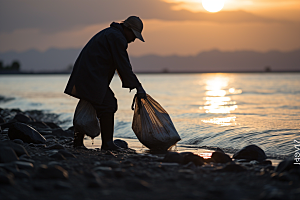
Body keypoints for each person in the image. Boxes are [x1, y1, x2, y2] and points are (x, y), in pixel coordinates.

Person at [64, 16, 146, 150]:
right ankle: (107, 144)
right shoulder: (117, 38)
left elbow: (119, 65)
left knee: (90, 104)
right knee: (108, 103)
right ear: (128, 29)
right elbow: (123, 65)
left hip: (87, 74)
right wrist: (138, 87)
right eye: (134, 35)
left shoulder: (111, 33)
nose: (133, 39)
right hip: (90, 75)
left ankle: (78, 142)